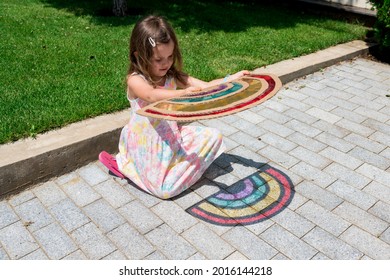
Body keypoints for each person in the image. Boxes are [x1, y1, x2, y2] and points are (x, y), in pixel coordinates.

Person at [103, 15, 249, 199]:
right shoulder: (135, 80)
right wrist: (182, 93)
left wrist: (232, 79)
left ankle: (176, 167)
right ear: (139, 56)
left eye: (170, 56)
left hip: (172, 136)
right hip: (147, 144)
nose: (166, 63)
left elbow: (206, 86)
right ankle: (127, 165)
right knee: (166, 191)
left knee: (215, 137)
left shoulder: (173, 76)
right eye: (158, 59)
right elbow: (151, 95)